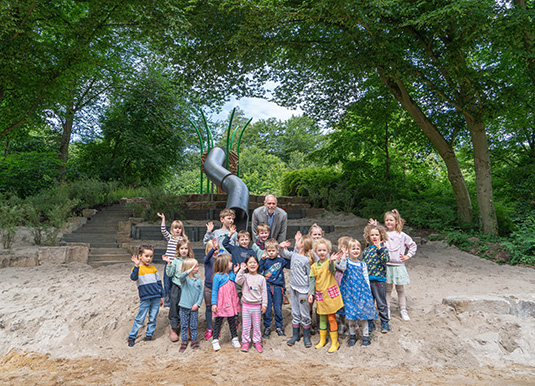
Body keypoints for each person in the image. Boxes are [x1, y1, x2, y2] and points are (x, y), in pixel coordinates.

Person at [338, 239, 377, 347]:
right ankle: (352, 335)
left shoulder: (362, 264)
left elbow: (366, 278)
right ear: (349, 250)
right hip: (349, 293)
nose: (355, 251)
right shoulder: (346, 262)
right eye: (353, 248)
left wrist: (368, 291)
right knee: (351, 316)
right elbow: (341, 268)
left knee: (363, 316)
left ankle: (365, 336)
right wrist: (344, 257)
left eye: (357, 248)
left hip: (361, 293)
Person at [308, 238, 344, 353]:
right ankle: (322, 340)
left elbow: (331, 269)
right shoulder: (313, 266)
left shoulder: (330, 262)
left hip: (330, 295)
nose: (322, 252)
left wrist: (331, 261)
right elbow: (312, 281)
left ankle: (335, 342)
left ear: (328, 251)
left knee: (331, 318)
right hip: (320, 295)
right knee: (322, 318)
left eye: (324, 250)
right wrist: (310, 293)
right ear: (315, 252)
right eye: (319, 250)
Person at [279, 235, 313, 348]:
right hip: (293, 289)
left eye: (298, 241)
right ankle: (295, 335)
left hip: (303, 290)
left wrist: (310, 292)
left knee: (304, 312)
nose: (296, 243)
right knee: (295, 311)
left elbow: (310, 276)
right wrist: (281, 247)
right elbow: (284, 253)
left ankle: (306, 336)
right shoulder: (293, 255)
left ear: (302, 245)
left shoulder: (307, 260)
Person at [383, 209, 417, 321]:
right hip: (387, 265)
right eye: (386, 220)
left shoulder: (402, 235)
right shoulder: (384, 235)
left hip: (399, 266)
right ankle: (386, 309)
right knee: (387, 290)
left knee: (400, 289)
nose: (389, 222)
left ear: (396, 221)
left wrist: (408, 255)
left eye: (391, 220)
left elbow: (412, 245)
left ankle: (403, 310)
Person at [127, 245, 164, 347]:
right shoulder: (137, 269)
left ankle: (149, 335)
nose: (149, 259)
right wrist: (136, 266)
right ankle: (132, 336)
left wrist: (162, 296)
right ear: (140, 256)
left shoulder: (153, 269)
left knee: (153, 317)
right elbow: (133, 278)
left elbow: (159, 283)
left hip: (156, 297)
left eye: (151, 256)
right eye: (146, 256)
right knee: (140, 318)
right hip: (145, 298)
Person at [163, 239, 195, 342]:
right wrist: (168, 264)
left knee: (187, 307)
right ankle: (173, 327)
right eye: (182, 248)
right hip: (176, 286)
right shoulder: (176, 261)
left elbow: (195, 274)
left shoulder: (191, 261)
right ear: (178, 249)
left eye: (186, 248)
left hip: (187, 287)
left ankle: (187, 328)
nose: (184, 250)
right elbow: (169, 273)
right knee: (174, 306)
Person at [235, 255, 268, 353]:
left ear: (258, 265)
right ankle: (245, 342)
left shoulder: (261, 278)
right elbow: (238, 281)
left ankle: (257, 341)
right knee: (246, 325)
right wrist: (241, 270)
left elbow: (264, 292)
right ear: (246, 265)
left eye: (254, 262)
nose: (252, 264)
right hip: (246, 305)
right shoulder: (244, 276)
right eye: (250, 262)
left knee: (257, 325)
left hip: (257, 306)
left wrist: (264, 304)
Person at [259, 238, 290, 338]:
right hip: (267, 286)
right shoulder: (266, 260)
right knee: (267, 308)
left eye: (273, 250)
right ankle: (267, 327)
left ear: (277, 250)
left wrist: (285, 251)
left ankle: (279, 327)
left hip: (278, 287)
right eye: (269, 251)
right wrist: (262, 259)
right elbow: (259, 269)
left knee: (278, 308)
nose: (271, 253)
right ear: (266, 251)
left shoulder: (281, 260)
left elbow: (289, 264)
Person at [362, 224, 390, 333]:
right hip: (368, 281)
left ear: (381, 236)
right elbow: (363, 265)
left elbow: (385, 260)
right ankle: (370, 322)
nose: (374, 237)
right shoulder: (366, 251)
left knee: (381, 302)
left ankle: (384, 322)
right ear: (368, 237)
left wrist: (380, 249)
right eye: (372, 235)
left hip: (379, 280)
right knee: (369, 302)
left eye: (376, 235)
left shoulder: (383, 249)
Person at [211, 254, 241, 351]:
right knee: (218, 322)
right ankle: (215, 340)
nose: (231, 263)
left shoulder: (232, 275)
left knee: (232, 321)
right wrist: (214, 303)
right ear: (224, 264)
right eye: (230, 262)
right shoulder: (217, 277)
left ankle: (235, 338)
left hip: (231, 303)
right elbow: (214, 291)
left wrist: (236, 273)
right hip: (221, 304)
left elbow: (237, 281)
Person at [156, 213, 186, 307]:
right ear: (172, 230)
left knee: (176, 282)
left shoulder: (183, 239)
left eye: (179, 228)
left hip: (177, 264)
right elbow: (163, 230)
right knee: (167, 281)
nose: (177, 230)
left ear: (182, 230)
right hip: (169, 263)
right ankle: (167, 300)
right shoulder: (170, 237)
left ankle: (178, 299)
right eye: (175, 228)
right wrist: (163, 219)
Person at [177, 258, 204, 352]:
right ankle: (184, 341)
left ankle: (194, 340)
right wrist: (188, 271)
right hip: (184, 306)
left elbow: (201, 293)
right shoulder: (185, 280)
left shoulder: (198, 281)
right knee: (184, 325)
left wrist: (197, 304)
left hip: (194, 307)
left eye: (196, 266)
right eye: (195, 266)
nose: (197, 268)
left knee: (193, 325)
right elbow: (181, 276)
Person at [203, 239, 219, 340]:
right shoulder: (207, 260)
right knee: (209, 308)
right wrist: (213, 249)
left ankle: (217, 328)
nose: (215, 251)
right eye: (212, 249)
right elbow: (206, 258)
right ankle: (209, 328)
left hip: (217, 288)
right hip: (208, 287)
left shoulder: (219, 260)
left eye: (217, 249)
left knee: (217, 308)